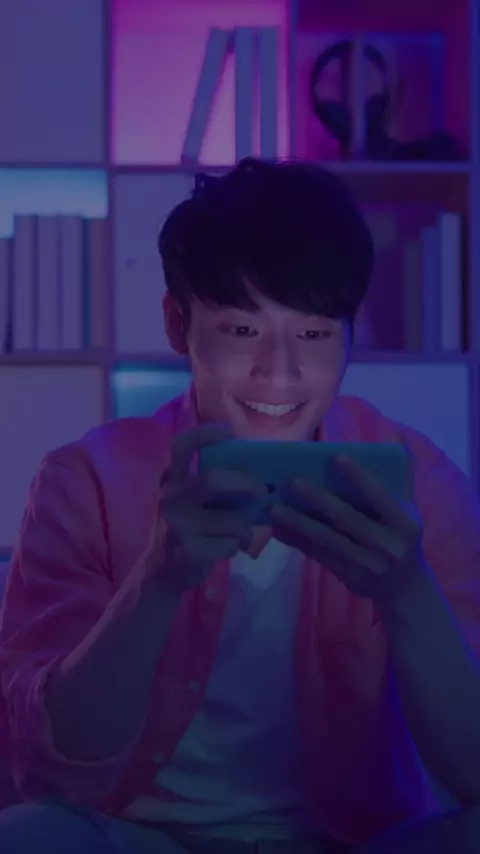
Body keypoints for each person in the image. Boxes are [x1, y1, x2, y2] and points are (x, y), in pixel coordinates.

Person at [0, 158, 480, 854]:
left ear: (350, 333)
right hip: (140, 837)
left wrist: (407, 593)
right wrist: (156, 581)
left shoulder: (419, 482)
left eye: (313, 334)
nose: (279, 373)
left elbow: (473, 776)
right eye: (242, 330)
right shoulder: (86, 480)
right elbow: (49, 768)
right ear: (178, 324)